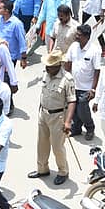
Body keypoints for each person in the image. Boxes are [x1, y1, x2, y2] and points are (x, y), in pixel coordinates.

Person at [29, 49, 76, 185]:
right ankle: (42, 169)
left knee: (57, 146)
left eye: (50, 65)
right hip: (43, 114)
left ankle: (63, 171)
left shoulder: (67, 79)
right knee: (41, 144)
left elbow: (72, 101)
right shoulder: (46, 74)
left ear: (58, 65)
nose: (47, 67)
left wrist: (67, 122)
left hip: (58, 117)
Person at [63, 23, 101, 139]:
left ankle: (90, 127)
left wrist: (93, 89)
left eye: (79, 35)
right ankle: (77, 128)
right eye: (76, 34)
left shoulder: (94, 50)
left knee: (82, 108)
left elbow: (96, 70)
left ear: (87, 37)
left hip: (86, 87)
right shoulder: (74, 46)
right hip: (73, 85)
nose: (76, 37)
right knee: (73, 108)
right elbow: (68, 63)